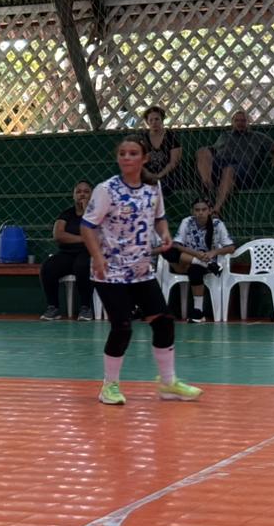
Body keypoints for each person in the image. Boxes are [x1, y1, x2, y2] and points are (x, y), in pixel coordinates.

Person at [81, 135, 202, 406]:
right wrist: (97, 257)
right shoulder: (106, 189)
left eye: (133, 153)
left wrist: (165, 233)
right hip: (110, 271)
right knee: (122, 327)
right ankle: (109, 387)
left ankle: (168, 383)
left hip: (141, 271)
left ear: (144, 158)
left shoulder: (152, 187)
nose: (127, 157)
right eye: (122, 153)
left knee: (164, 321)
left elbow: (159, 217)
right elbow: (87, 226)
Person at [195, 109, 274, 215]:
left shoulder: (257, 136)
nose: (240, 123)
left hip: (243, 170)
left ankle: (216, 209)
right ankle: (208, 186)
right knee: (202, 151)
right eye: (237, 120)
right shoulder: (225, 135)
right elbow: (213, 149)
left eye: (243, 121)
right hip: (220, 165)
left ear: (248, 122)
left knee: (229, 170)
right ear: (232, 122)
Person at [164, 198, 236, 323]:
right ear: (192, 211)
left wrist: (214, 252)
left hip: (202, 263)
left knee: (195, 270)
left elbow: (231, 247)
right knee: (168, 249)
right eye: (197, 210)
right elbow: (177, 245)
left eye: (204, 210)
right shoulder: (187, 222)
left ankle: (198, 311)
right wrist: (197, 255)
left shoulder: (217, 224)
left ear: (210, 211)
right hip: (187, 260)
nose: (200, 213)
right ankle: (204, 263)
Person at [40, 180, 95, 321]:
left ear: (92, 195)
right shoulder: (67, 214)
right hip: (67, 253)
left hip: (88, 253)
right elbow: (58, 235)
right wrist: (83, 238)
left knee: (82, 265)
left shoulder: (97, 214)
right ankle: (53, 307)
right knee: (48, 267)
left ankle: (85, 307)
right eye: (78, 191)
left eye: (86, 191)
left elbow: (97, 235)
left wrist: (87, 211)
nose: (82, 194)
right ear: (73, 195)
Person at [139, 106, 181, 191]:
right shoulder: (143, 137)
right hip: (147, 175)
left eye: (157, 119)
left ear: (162, 120)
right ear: (147, 122)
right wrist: (149, 175)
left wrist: (159, 176)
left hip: (167, 175)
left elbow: (174, 162)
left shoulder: (170, 136)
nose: (154, 122)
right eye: (151, 120)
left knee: (162, 186)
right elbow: (139, 161)